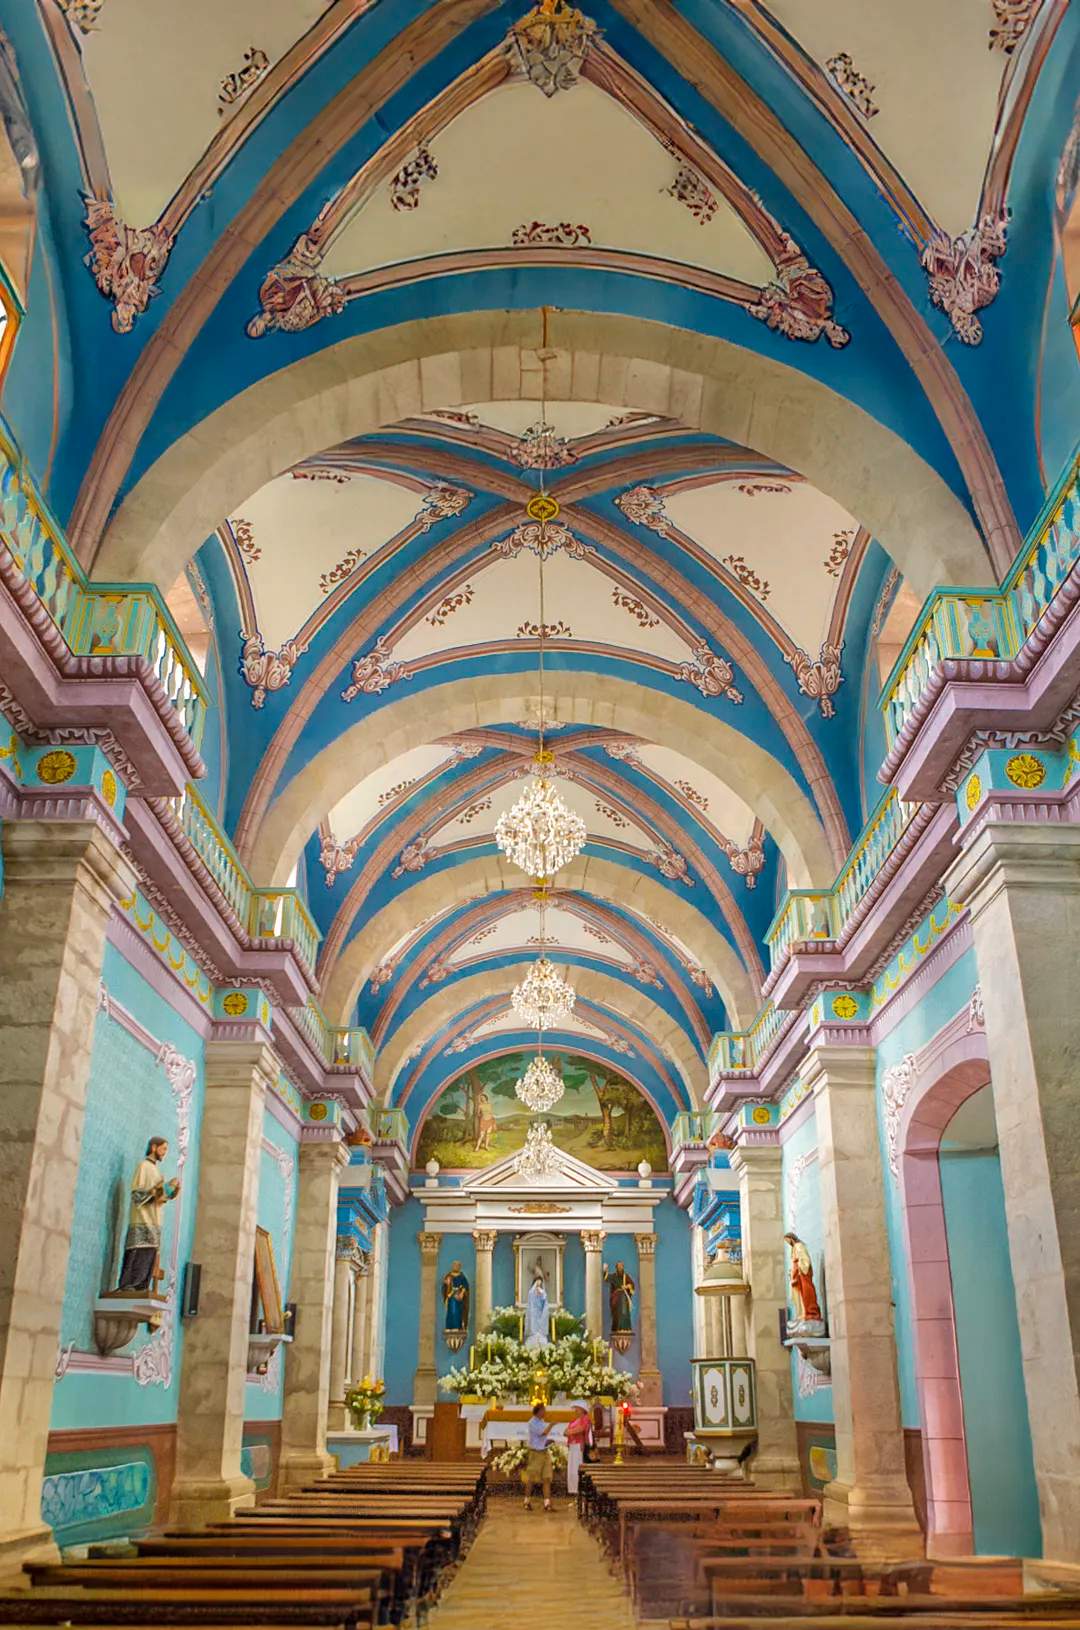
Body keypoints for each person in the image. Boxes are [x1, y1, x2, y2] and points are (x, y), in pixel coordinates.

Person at [113, 1137, 180, 1294]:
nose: (164, 1153)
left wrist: (171, 1190)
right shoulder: (144, 1167)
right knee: (138, 1250)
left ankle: (141, 1286)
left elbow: (159, 1197)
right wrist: (161, 1188)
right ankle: (128, 1285)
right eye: (163, 1149)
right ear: (154, 1147)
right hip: (142, 1219)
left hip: (155, 1220)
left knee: (149, 1253)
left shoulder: (156, 1171)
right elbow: (138, 1195)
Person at [784, 1232, 822, 1322]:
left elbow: (804, 1259)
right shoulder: (793, 1248)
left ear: (791, 1238)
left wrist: (800, 1268)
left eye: (788, 1240)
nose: (787, 1242)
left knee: (807, 1292)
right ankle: (803, 1312)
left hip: (803, 1273)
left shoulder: (799, 1246)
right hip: (797, 1275)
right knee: (800, 1294)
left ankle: (812, 1312)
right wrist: (792, 1273)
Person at [523, 1402, 554, 1512]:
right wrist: (552, 1424)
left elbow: (542, 1438)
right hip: (535, 1453)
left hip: (544, 1452)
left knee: (547, 1478)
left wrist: (547, 1442)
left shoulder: (541, 1421)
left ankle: (547, 1503)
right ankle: (526, 1501)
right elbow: (542, 1433)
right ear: (539, 1411)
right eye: (544, 1410)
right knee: (531, 1478)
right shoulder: (532, 1422)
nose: (545, 1412)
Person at [565, 1403, 592, 1502]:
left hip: (579, 1447)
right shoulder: (574, 1420)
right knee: (571, 1470)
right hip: (572, 1446)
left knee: (577, 1470)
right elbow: (565, 1431)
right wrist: (570, 1431)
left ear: (582, 1409)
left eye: (576, 1408)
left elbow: (581, 1429)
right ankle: (574, 1493)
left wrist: (570, 1431)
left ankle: (579, 1493)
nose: (575, 1410)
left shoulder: (585, 1419)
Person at [604, 1259, 635, 1334]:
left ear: (623, 1267)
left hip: (624, 1298)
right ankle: (617, 1328)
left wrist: (627, 1286)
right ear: (616, 1268)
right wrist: (605, 1270)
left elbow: (632, 1285)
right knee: (617, 1314)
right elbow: (606, 1278)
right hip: (616, 1298)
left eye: (621, 1266)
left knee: (624, 1313)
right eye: (618, 1266)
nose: (620, 1267)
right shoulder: (614, 1276)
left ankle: (625, 1328)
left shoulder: (626, 1276)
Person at [441, 1260, 470, 1335]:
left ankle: (458, 1326)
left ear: (459, 1267)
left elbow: (465, 1286)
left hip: (459, 1298)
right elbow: (445, 1286)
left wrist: (462, 1294)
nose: (455, 1266)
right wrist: (446, 1284)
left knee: (458, 1312)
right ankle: (450, 1327)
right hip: (451, 1297)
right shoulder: (449, 1276)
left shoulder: (462, 1276)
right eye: (454, 1265)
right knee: (452, 1312)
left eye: (457, 1265)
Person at [524, 1267, 549, 1348]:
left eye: (540, 1282)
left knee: (540, 1329)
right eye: (537, 1281)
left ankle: (540, 1335)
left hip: (540, 1313)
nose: (539, 1283)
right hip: (533, 1312)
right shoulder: (531, 1292)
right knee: (533, 1326)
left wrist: (541, 1294)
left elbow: (544, 1302)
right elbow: (530, 1301)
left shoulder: (543, 1292)